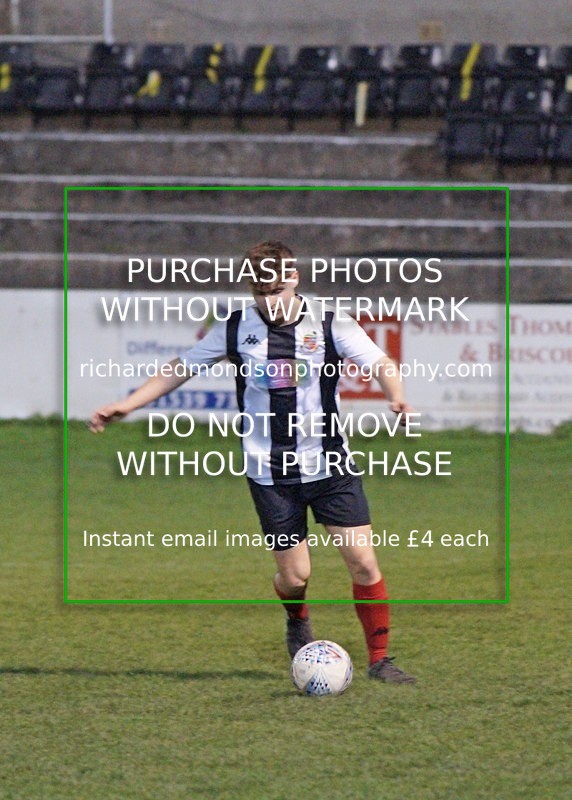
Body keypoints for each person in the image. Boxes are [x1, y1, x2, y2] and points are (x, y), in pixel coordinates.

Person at [90, 240, 415, 684]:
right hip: (270, 473)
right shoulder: (234, 328)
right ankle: (296, 617)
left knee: (362, 561)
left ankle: (380, 660)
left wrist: (396, 398)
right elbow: (179, 368)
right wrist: (128, 403)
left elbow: (380, 362)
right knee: (295, 575)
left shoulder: (329, 322)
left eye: (275, 290)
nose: (268, 301)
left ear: (294, 279)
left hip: (329, 464)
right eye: (259, 291)